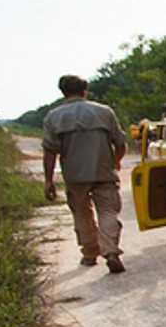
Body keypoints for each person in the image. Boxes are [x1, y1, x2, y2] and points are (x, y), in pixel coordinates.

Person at [41, 75, 127, 274]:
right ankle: (110, 251)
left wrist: (48, 181)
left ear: (63, 92)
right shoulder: (104, 112)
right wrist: (116, 161)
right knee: (108, 212)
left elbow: (50, 151)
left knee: (81, 212)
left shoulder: (53, 117)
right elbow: (120, 143)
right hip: (103, 172)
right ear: (85, 90)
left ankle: (89, 253)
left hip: (75, 176)